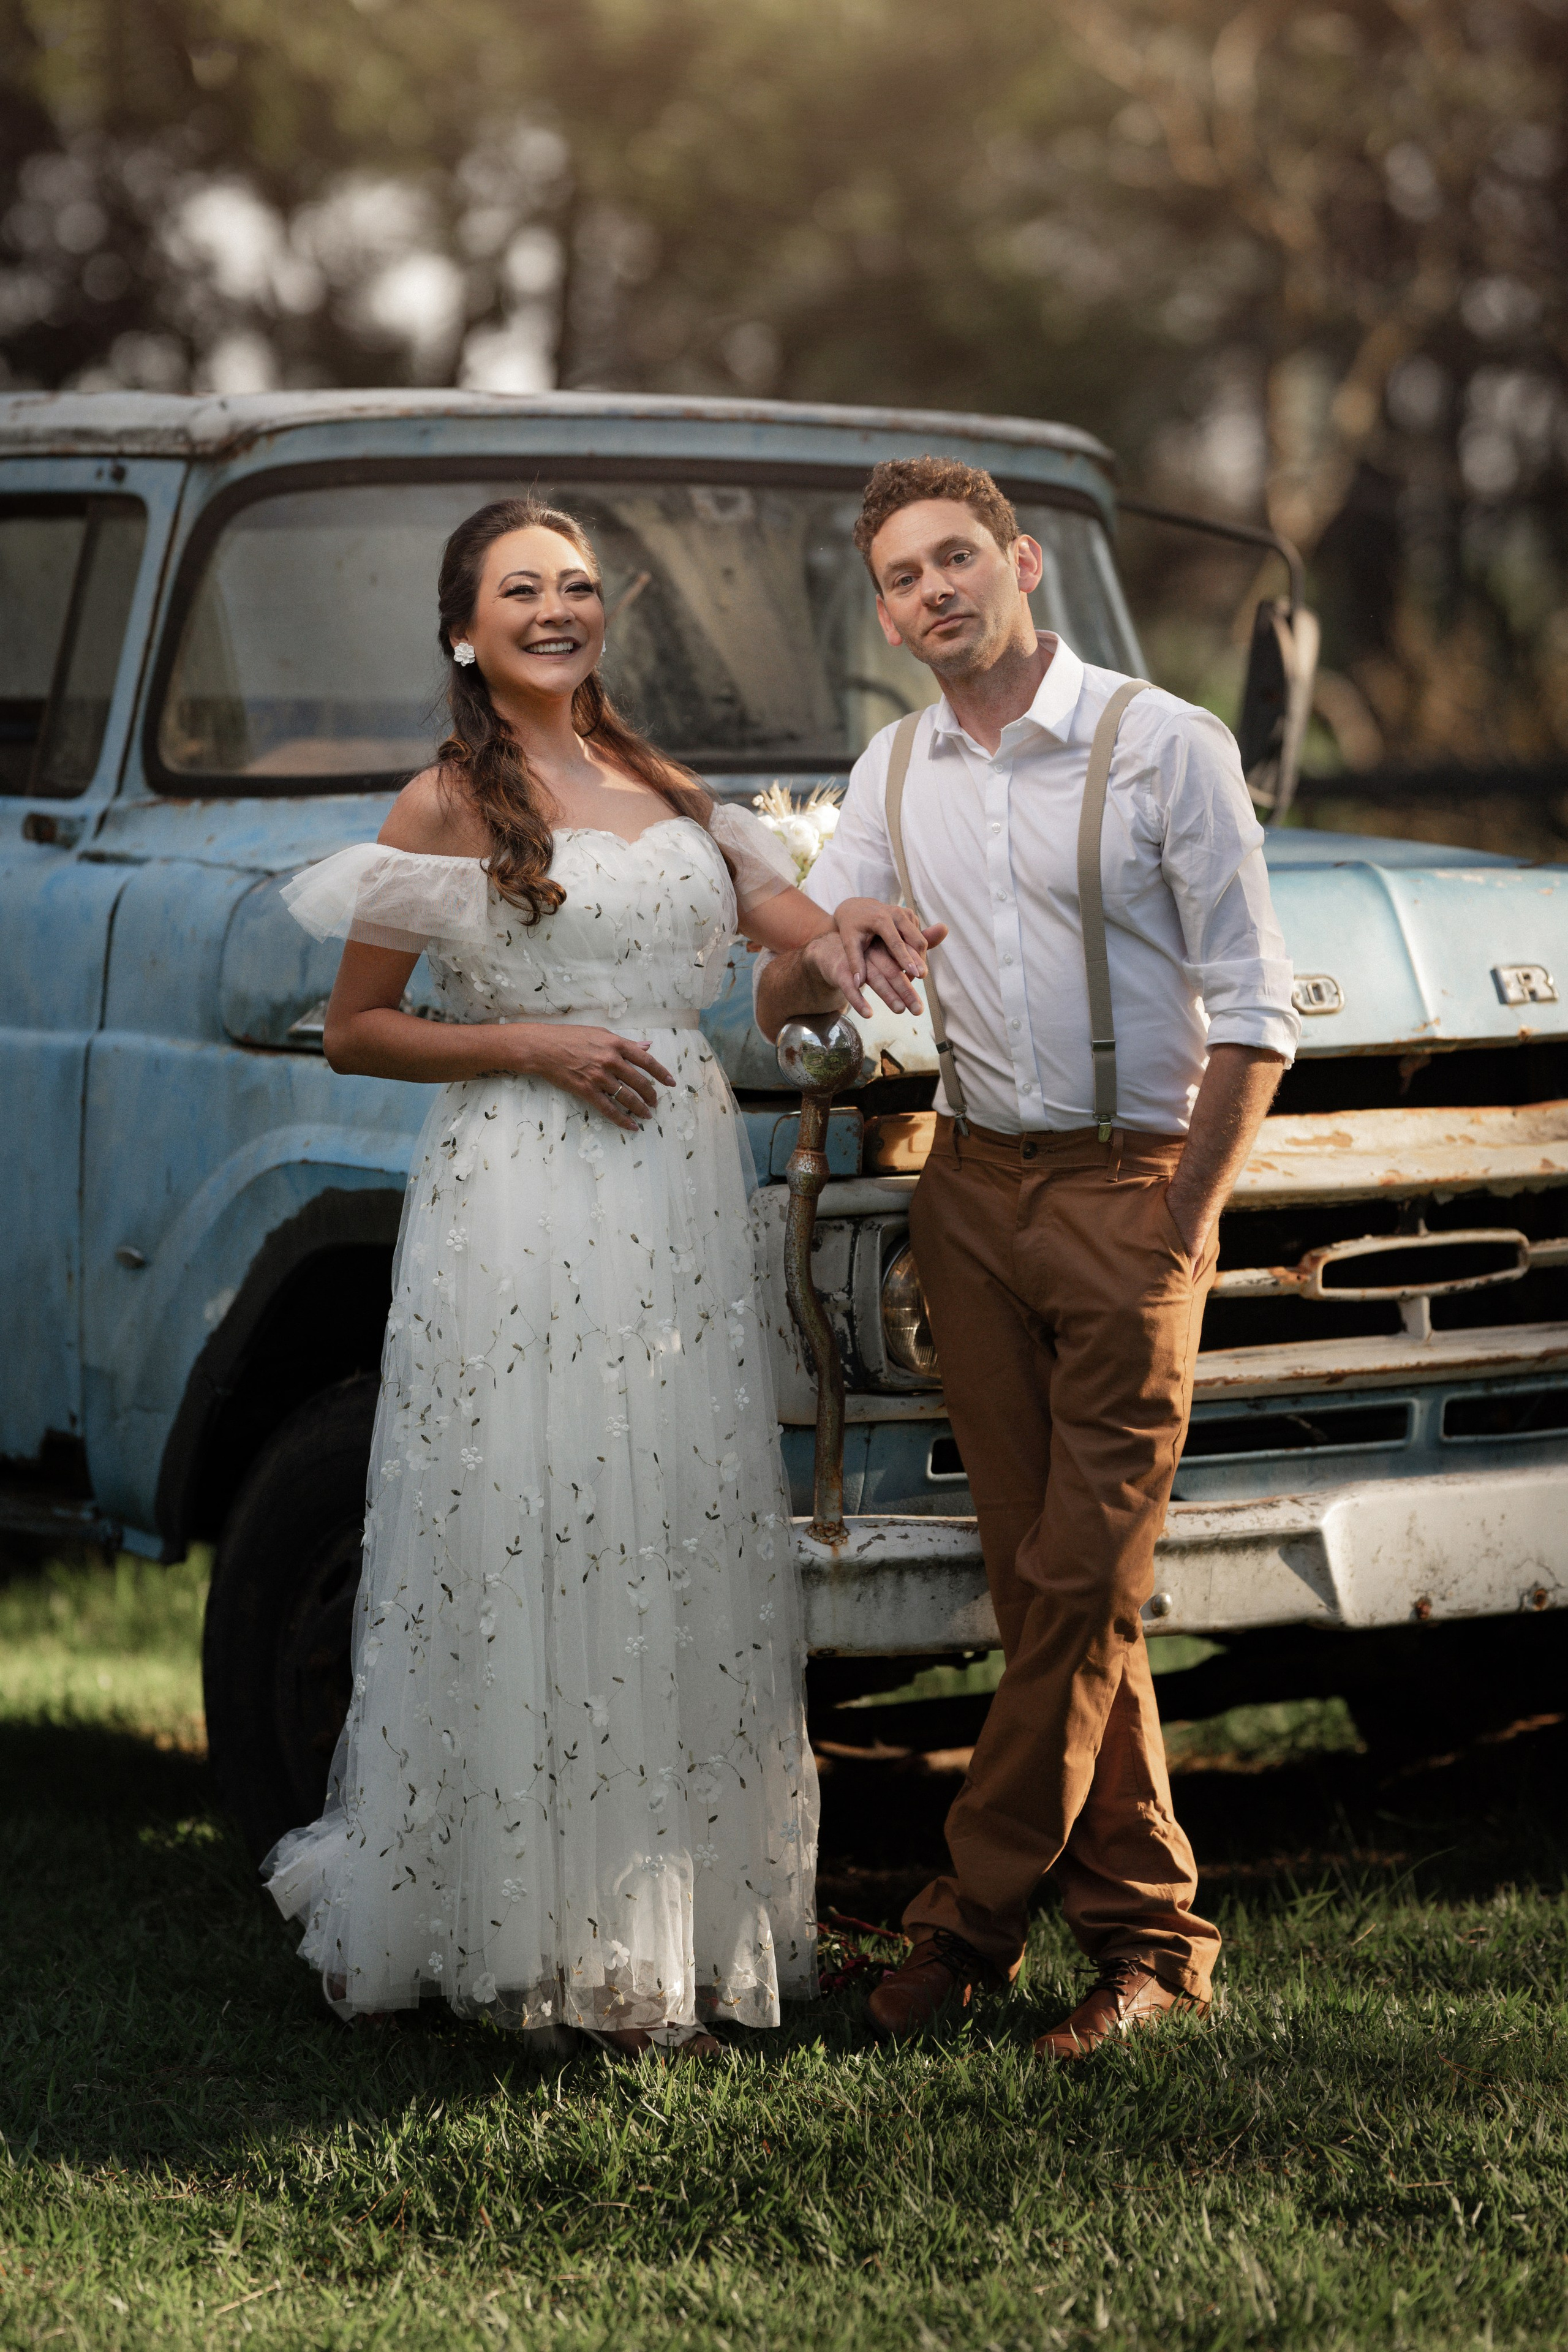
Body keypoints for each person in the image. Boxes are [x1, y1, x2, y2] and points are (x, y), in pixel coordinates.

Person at [263, 496, 925, 2057]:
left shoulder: (666, 784)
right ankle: (527, 1923)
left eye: (574, 586)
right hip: (524, 1189)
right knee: (542, 1516)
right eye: (520, 591)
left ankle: (673, 1918)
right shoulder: (442, 803)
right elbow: (358, 1025)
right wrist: (535, 1043)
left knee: (672, 1520)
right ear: (463, 630)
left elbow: (787, 936)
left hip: (680, 1193)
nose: (556, 610)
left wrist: (849, 938)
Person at [755, 456, 1300, 2060]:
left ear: (1025, 563)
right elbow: (802, 1005)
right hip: (974, 1200)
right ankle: (1154, 1936)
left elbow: (1259, 1017)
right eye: (901, 577)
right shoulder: (893, 768)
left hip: (1134, 1194)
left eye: (954, 560)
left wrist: (1180, 1226)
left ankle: (970, 1925)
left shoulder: (1165, 747)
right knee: (1051, 1592)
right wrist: (822, 957)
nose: (932, 592)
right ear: (885, 611)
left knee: (1082, 1583)